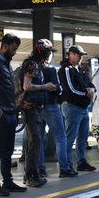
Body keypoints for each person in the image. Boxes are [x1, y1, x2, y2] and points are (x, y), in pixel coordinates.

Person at [0, 33, 24, 196]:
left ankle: (7, 181)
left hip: (10, 114)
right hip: (0, 114)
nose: (14, 52)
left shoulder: (7, 65)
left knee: (8, 150)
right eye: (13, 49)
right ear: (5, 46)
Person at [19, 39, 58, 187]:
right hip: (30, 108)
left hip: (34, 107)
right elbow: (27, 86)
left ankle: (30, 175)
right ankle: (31, 176)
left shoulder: (35, 65)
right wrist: (45, 86)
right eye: (49, 52)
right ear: (43, 52)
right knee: (35, 141)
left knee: (35, 141)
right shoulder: (32, 64)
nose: (50, 55)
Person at [59, 45, 96, 174]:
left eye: (81, 55)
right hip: (72, 106)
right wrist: (87, 93)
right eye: (79, 55)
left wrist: (92, 89)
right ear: (71, 54)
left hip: (83, 108)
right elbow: (70, 89)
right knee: (69, 138)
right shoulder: (66, 69)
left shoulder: (79, 69)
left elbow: (89, 83)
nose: (81, 57)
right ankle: (67, 165)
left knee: (82, 137)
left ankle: (81, 162)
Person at [40, 49, 67, 178]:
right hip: (50, 104)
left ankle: (40, 169)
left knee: (39, 139)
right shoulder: (50, 70)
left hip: (36, 106)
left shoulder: (31, 67)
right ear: (48, 55)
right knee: (60, 137)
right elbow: (57, 89)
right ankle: (64, 168)